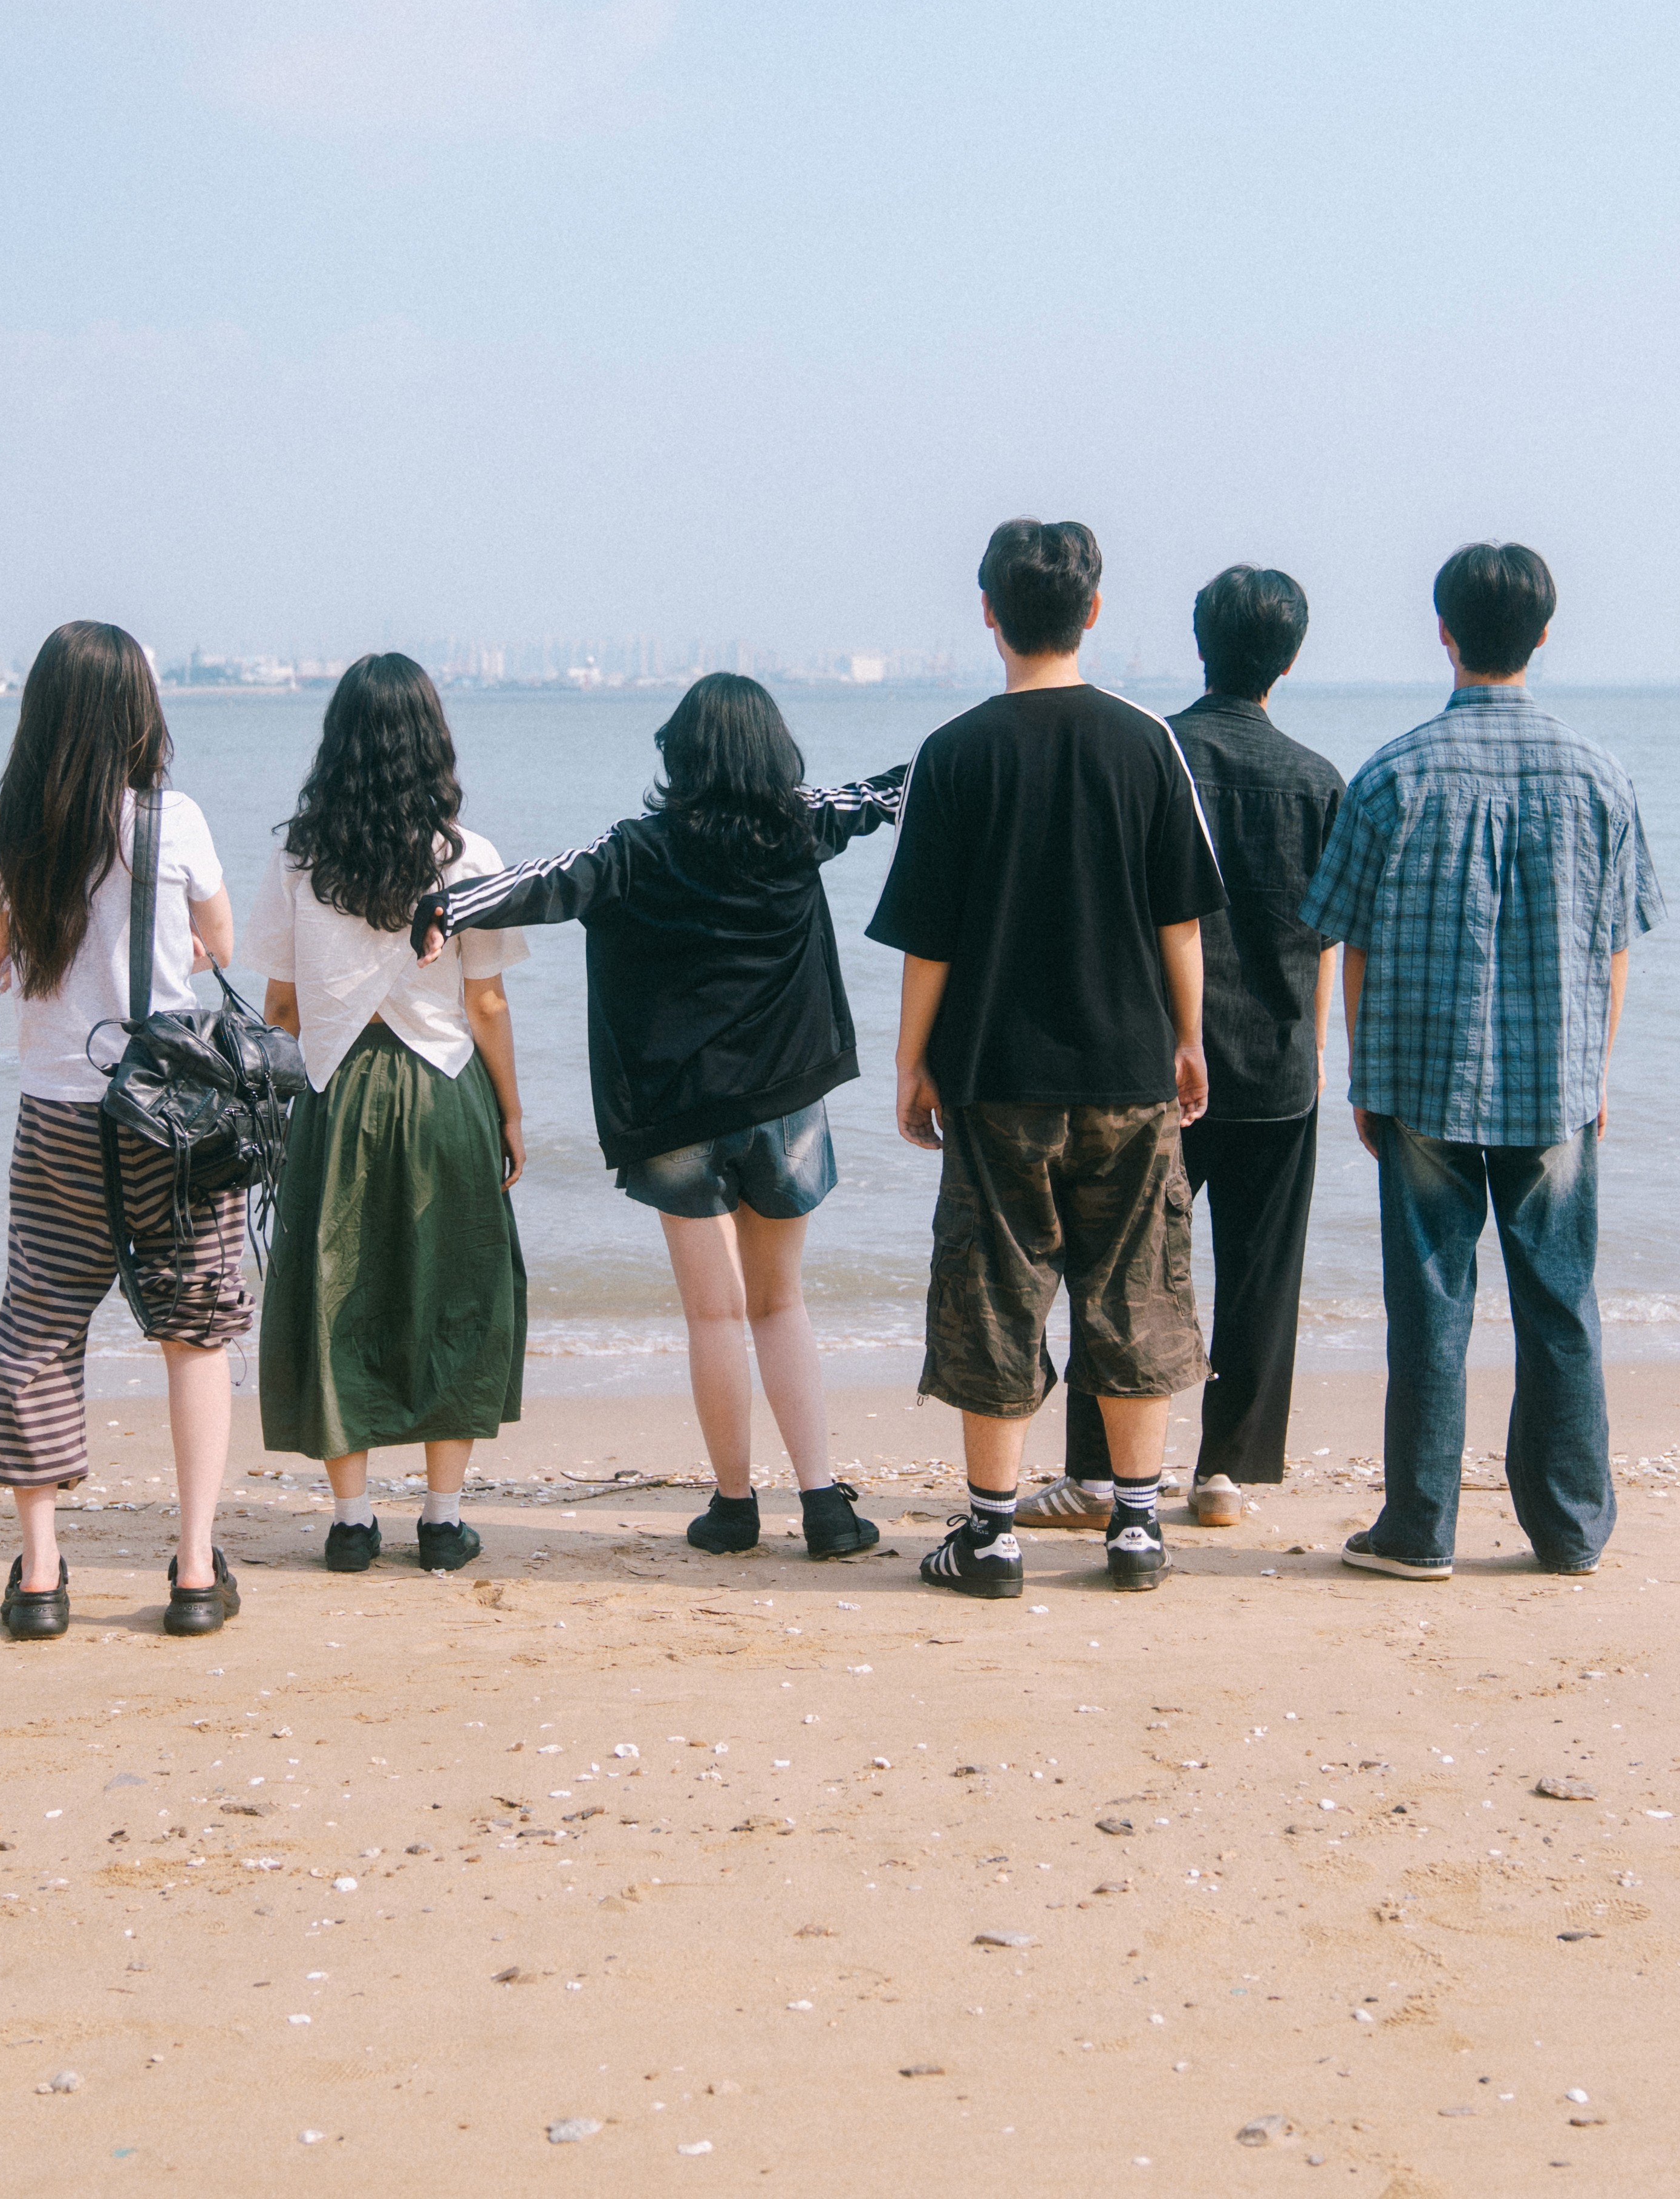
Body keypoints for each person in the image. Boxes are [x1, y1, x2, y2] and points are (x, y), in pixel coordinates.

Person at [416, 674, 902, 1563]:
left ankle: (732, 1508)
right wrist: (987, 755)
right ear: (774, 750)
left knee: (715, 1317)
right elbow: (892, 791)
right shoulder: (802, 825)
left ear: (677, 757)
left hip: (676, 1115)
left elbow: (544, 884)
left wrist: (445, 906)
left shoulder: (639, 849)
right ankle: (824, 1506)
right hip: (785, 1101)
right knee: (780, 1302)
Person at [869, 518, 1227, 1600]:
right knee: (1136, 1289)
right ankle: (1132, 1528)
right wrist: (1190, 1037)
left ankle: (990, 1538)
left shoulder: (955, 751)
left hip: (994, 1070)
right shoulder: (1145, 742)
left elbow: (927, 938)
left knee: (995, 1289)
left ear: (987, 613)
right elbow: (1180, 921)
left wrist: (909, 1063)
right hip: (1127, 1066)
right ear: (1095, 611)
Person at [1300, 541, 1659, 1580]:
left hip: (1420, 1077)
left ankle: (1418, 1528)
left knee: (1428, 1302)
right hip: (1557, 1083)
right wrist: (1594, 1076)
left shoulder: (1391, 773)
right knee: (1558, 1299)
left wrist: (1365, 1073)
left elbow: (1343, 936)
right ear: (1543, 636)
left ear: (1443, 635)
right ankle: (1571, 1528)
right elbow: (1617, 941)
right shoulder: (1599, 775)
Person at [1026, 565, 1344, 1536]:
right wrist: (1320, 1056)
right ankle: (1225, 1474)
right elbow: (1326, 934)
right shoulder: (1318, 780)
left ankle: (1094, 1472)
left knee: (1117, 1268)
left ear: (1198, 640)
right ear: (1287, 660)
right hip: (1280, 1059)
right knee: (1261, 1275)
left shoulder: (1149, 757)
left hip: (1152, 1059)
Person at [0, 620, 249, 1642]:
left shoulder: (7, 828)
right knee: (194, 1327)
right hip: (171, 1116)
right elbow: (218, 943)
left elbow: (4, 955)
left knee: (40, 1321)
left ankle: (39, 1578)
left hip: (56, 1110)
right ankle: (194, 1567)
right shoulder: (176, 824)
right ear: (139, 711)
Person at [249, 653, 532, 1574]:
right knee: (456, 1287)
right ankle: (444, 1521)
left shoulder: (300, 855)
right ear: (431, 741)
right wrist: (513, 1117)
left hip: (336, 1090)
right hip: (444, 1087)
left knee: (336, 1293)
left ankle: (351, 1519)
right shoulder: (468, 855)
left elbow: (281, 1009)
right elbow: (485, 1002)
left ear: (338, 745)